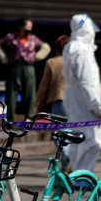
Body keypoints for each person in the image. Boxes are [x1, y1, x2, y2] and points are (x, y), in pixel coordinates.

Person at [63, 14, 101, 172]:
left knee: (76, 136)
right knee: (92, 139)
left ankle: (74, 169)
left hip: (72, 96)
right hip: (83, 99)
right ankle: (82, 175)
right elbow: (87, 81)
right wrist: (95, 106)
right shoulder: (83, 50)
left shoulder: (70, 47)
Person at [0, 18, 49, 121]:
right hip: (14, 67)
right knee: (11, 95)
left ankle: (29, 119)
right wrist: (3, 58)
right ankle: (10, 120)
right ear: (21, 27)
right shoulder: (10, 37)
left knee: (29, 94)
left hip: (28, 68)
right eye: (28, 27)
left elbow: (46, 47)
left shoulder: (33, 39)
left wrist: (37, 57)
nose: (30, 29)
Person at [35, 34, 70, 167]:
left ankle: (66, 156)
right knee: (71, 132)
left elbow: (44, 86)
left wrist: (38, 104)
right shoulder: (76, 61)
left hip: (58, 102)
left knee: (58, 134)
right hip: (75, 104)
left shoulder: (52, 62)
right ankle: (69, 160)